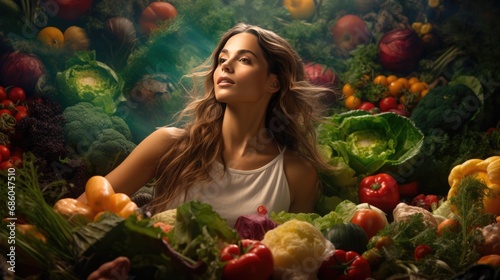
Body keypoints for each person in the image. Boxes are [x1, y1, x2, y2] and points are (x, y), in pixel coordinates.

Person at [78, 22, 333, 227]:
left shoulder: (297, 175)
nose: (226, 66)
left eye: (244, 60)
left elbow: (293, 263)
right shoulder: (168, 145)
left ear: (273, 83)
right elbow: (78, 210)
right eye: (222, 59)